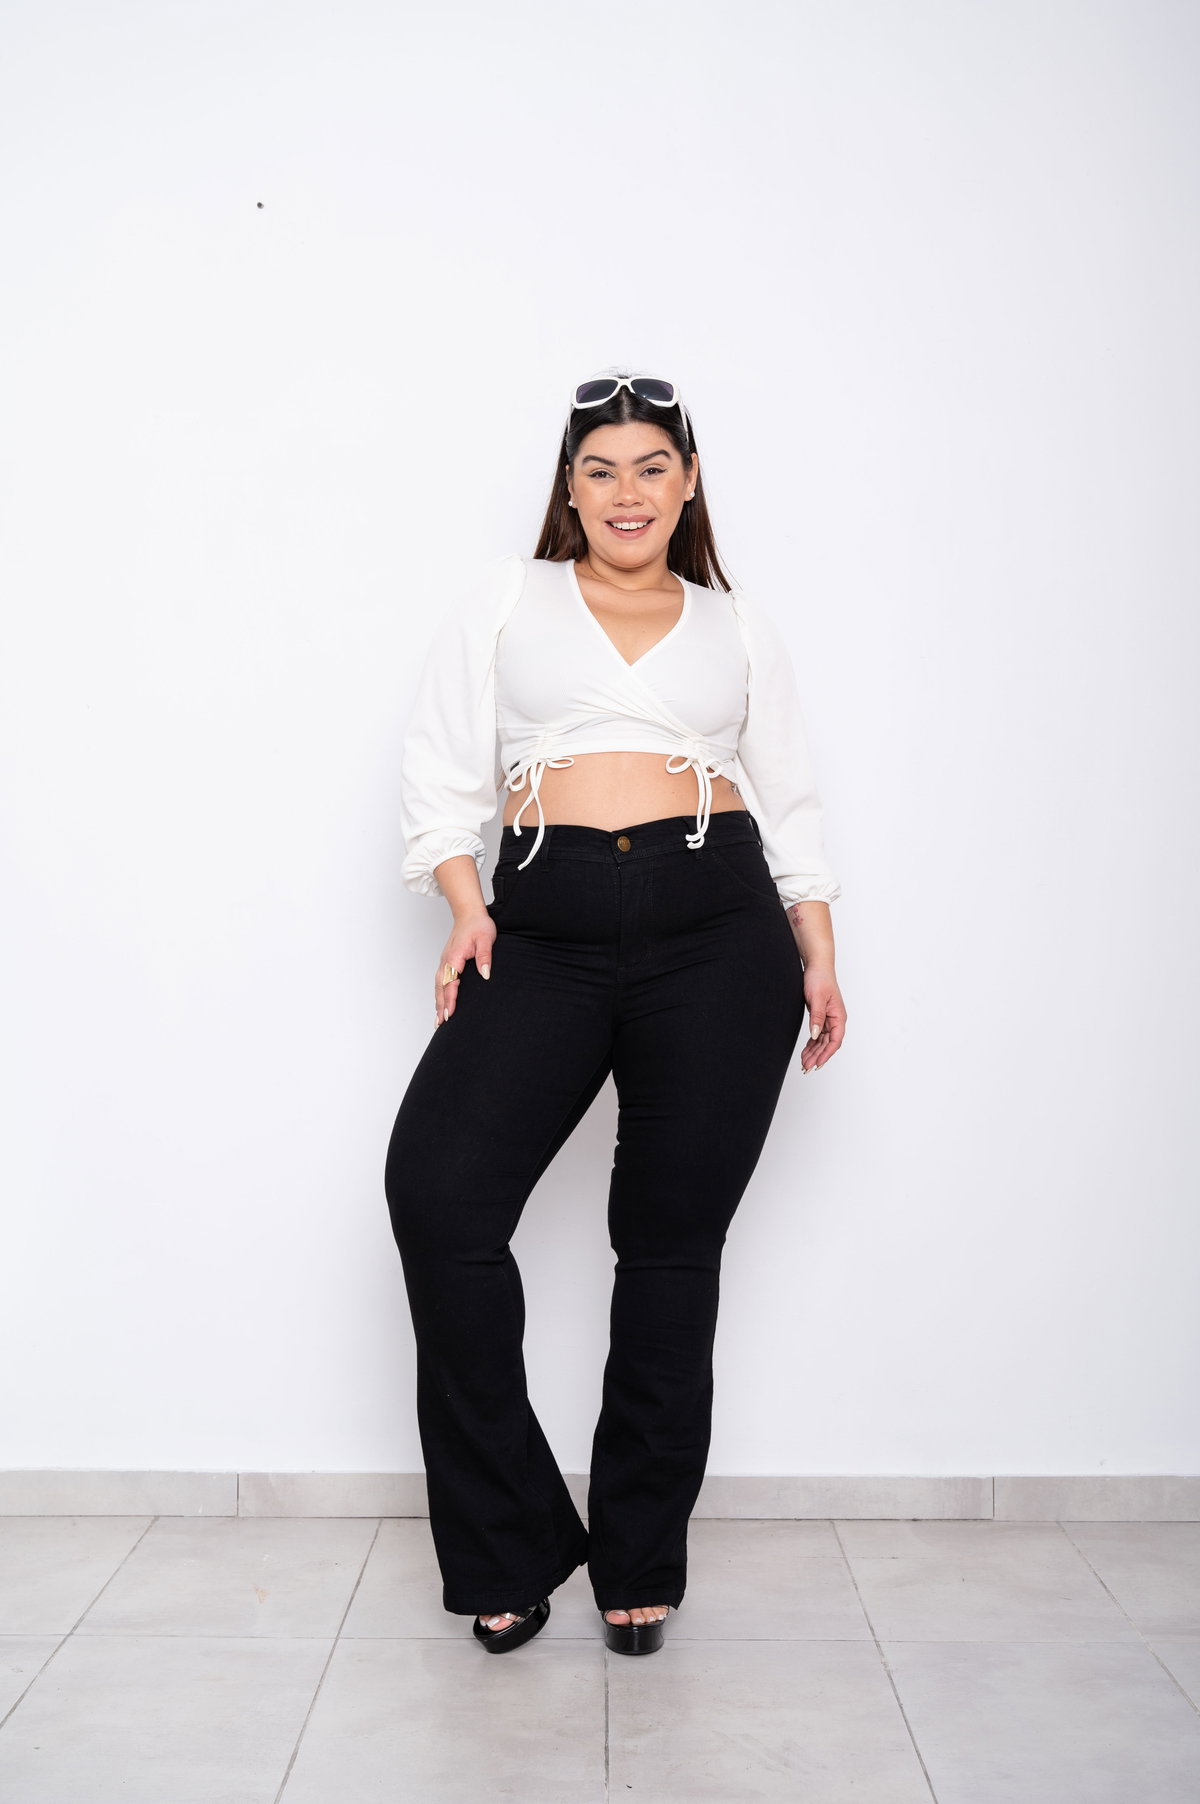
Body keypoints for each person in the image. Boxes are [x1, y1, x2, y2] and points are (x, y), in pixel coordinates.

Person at [384, 368, 847, 1657]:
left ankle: (640, 1557)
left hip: (720, 930)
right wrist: (465, 906)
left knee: (668, 1246)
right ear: (570, 489)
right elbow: (439, 770)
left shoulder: (735, 626)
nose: (626, 493)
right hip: (541, 921)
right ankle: (513, 1541)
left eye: (651, 468)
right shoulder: (508, 599)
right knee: (440, 1200)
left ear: (687, 483)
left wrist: (817, 952)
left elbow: (790, 800)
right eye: (601, 471)